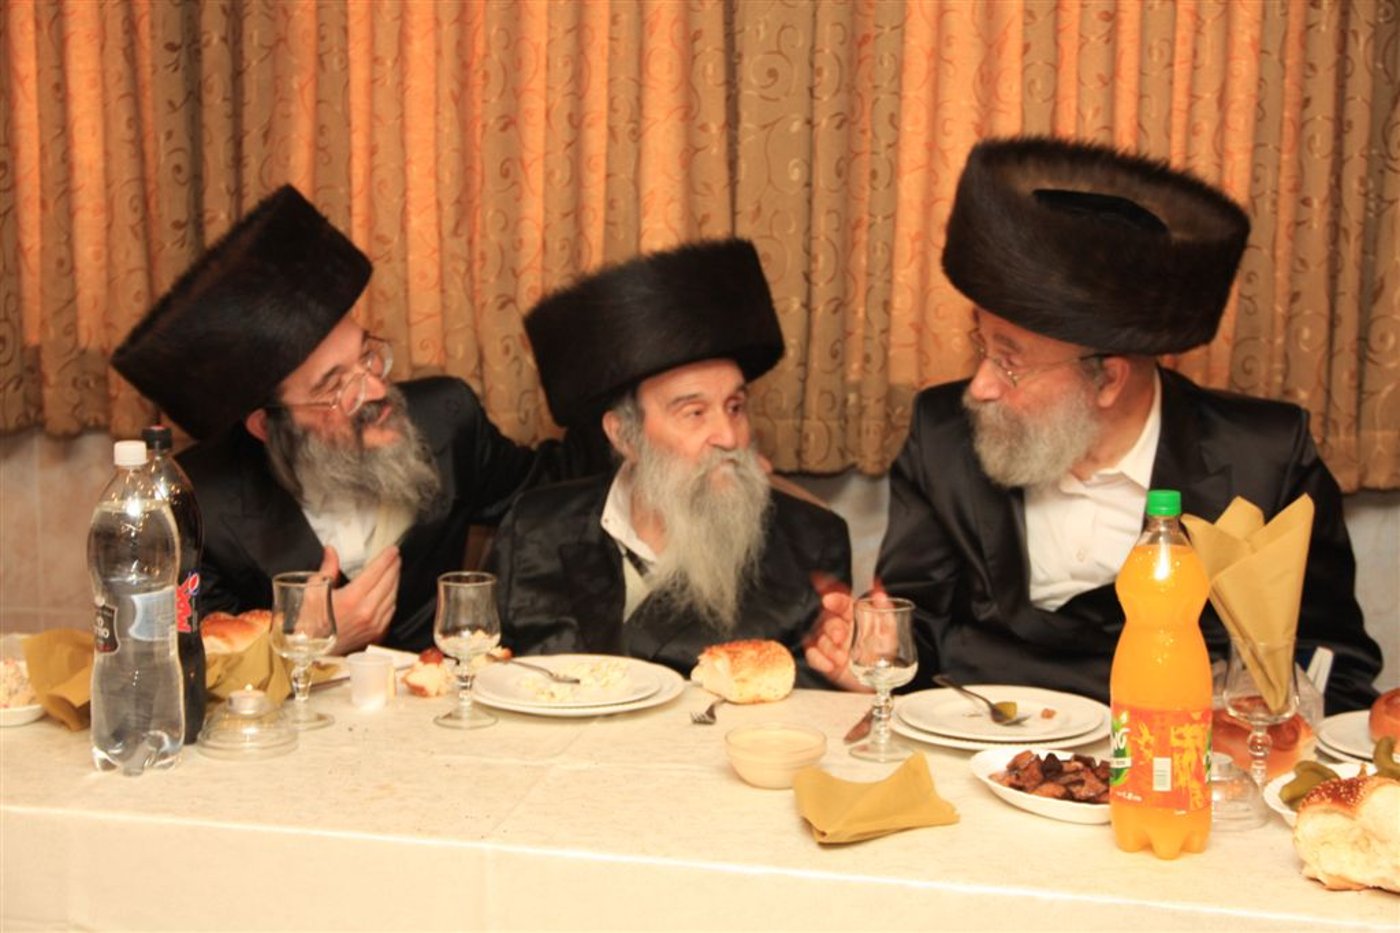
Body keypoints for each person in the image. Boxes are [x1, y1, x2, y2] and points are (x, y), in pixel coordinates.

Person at [806, 136, 1382, 714]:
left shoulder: (1264, 458)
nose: (980, 387)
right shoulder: (945, 434)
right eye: (982, 345)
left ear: (1108, 379)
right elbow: (919, 628)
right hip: (983, 745)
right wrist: (879, 650)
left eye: (1010, 361)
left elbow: (1332, 667)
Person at [111, 185, 605, 654]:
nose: (374, 390)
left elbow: (551, 488)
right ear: (265, 426)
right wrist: (308, 640)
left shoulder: (444, 418)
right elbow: (187, 662)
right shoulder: (197, 505)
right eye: (334, 387)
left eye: (367, 356)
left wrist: (628, 391)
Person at [486, 239, 852, 683]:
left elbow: (814, 698)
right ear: (625, 436)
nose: (728, 436)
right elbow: (484, 672)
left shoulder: (811, 543)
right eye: (695, 413)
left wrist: (852, 678)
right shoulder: (535, 529)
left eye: (735, 407)